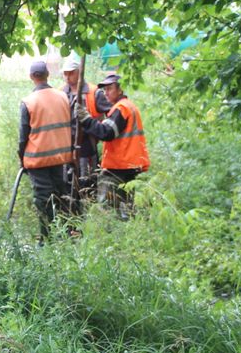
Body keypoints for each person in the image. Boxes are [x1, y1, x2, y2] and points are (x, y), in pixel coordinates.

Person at [78, 72, 150, 220]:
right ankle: (127, 235)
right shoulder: (128, 106)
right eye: (104, 90)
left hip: (119, 167)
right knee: (125, 208)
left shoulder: (121, 108)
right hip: (129, 164)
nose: (106, 93)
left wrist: (86, 119)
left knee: (107, 209)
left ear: (120, 89)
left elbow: (106, 132)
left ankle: (112, 236)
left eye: (109, 88)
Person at [19, 61, 73, 241]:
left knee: (43, 199)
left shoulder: (28, 102)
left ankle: (46, 238)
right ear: (47, 74)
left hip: (38, 159)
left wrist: (22, 159)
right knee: (60, 195)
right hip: (60, 157)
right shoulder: (63, 97)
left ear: (31, 77)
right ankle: (65, 234)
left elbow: (23, 136)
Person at [60, 58, 112, 190]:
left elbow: (112, 112)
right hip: (66, 144)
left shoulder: (94, 92)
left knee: (88, 179)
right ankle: (73, 207)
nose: (67, 76)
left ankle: (90, 204)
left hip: (88, 142)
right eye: (65, 73)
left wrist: (101, 128)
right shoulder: (60, 92)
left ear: (79, 72)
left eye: (71, 73)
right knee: (68, 180)